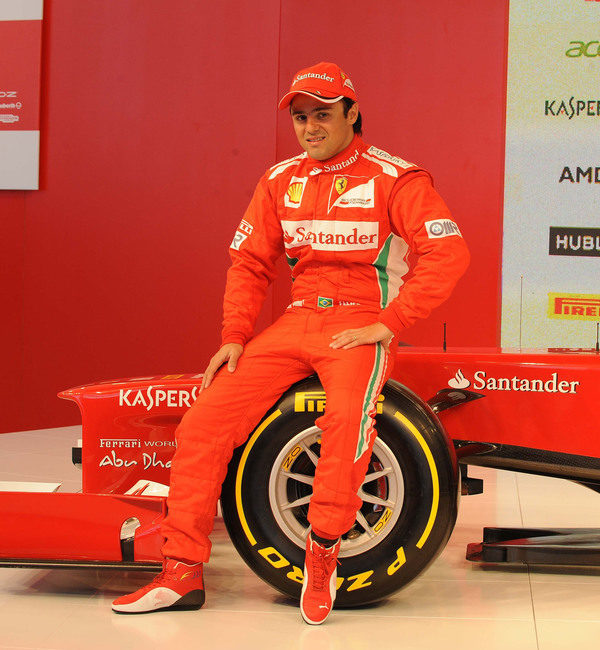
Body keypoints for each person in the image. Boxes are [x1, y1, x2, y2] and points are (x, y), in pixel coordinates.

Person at [112, 61, 469, 624]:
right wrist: (234, 336)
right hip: (296, 321)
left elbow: (448, 254)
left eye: (322, 114)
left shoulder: (397, 177)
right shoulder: (280, 179)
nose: (310, 126)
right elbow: (249, 262)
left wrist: (392, 321)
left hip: (360, 322)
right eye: (301, 117)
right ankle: (180, 572)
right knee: (203, 424)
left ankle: (322, 557)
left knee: (346, 426)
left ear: (352, 113)